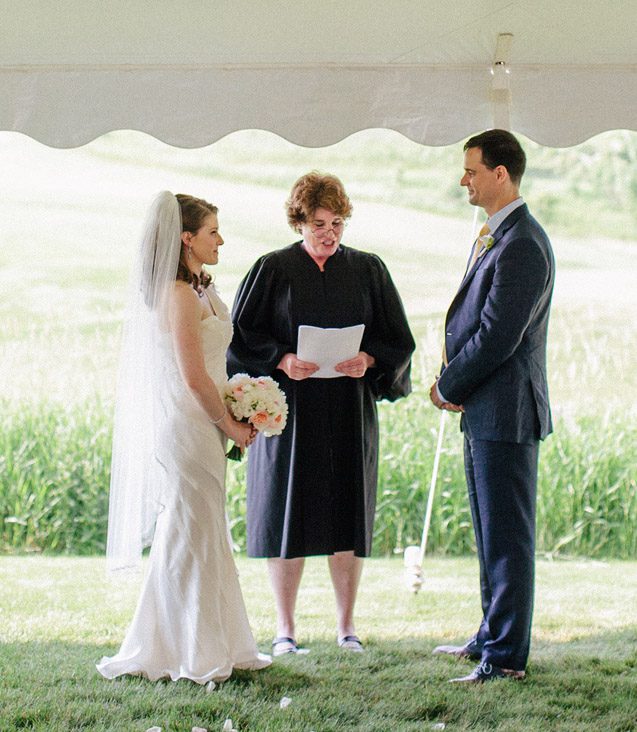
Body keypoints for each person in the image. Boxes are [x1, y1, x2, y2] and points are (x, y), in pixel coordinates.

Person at [227, 172, 415, 656]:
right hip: (291, 412)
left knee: (346, 515)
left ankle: (346, 627)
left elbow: (397, 339)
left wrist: (369, 360)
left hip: (348, 409)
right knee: (287, 516)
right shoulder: (272, 270)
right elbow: (240, 338)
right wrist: (281, 359)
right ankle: (285, 630)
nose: (329, 233)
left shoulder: (369, 270)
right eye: (318, 224)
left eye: (337, 223)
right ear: (299, 222)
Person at [97, 191, 271, 684]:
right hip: (189, 424)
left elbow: (215, 370)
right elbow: (193, 377)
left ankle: (218, 641)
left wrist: (245, 400)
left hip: (208, 421)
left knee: (203, 530)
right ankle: (181, 649)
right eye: (213, 231)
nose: (221, 239)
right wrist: (231, 424)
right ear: (186, 238)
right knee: (189, 531)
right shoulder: (176, 295)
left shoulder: (201, 289)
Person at [429, 130, 555, 683]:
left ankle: (505, 660)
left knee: (507, 538)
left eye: (472, 170)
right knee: (489, 530)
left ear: (500, 174)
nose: (464, 180)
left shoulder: (523, 243)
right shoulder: (498, 236)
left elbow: (498, 336)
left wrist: (447, 385)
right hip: (487, 410)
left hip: (506, 412)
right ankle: (490, 636)